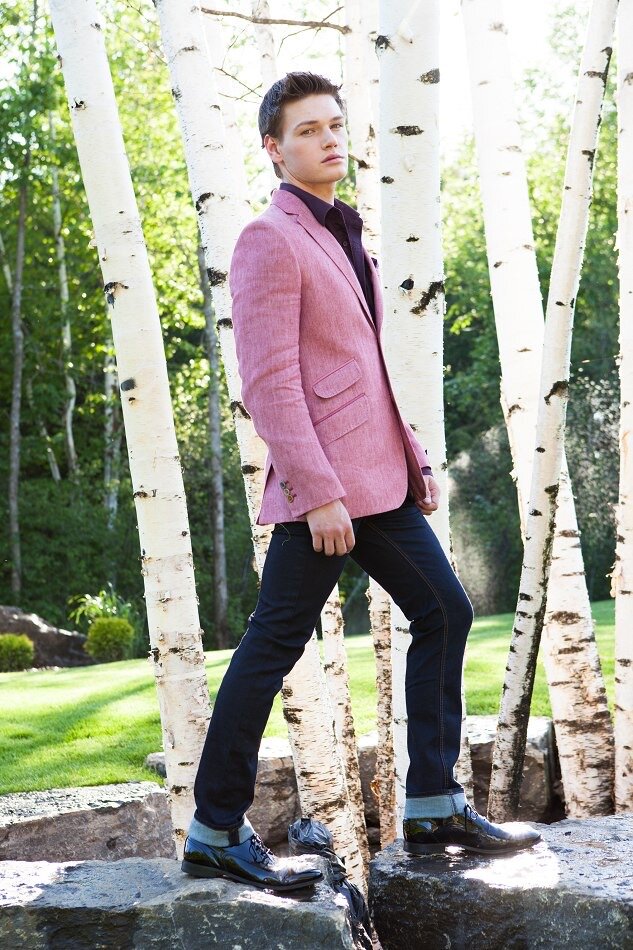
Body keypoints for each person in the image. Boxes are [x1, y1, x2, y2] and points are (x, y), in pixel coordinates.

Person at [181, 72, 540, 890]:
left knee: (443, 609)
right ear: (273, 149)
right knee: (273, 644)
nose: (329, 139)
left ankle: (430, 806)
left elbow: (359, 370)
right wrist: (317, 492)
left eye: (335, 125)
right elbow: (269, 382)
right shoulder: (267, 238)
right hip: (330, 493)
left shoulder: (344, 234)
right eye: (307, 130)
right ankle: (213, 828)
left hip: (373, 480)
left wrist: (409, 459)